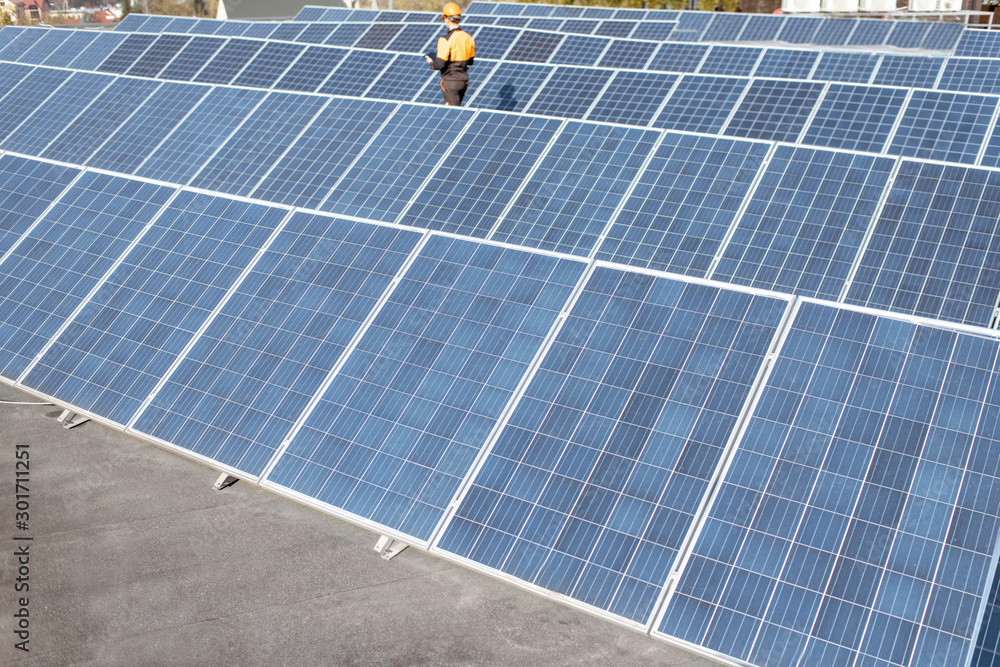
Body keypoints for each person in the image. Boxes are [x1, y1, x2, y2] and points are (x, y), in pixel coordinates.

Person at [424, 3, 475, 107]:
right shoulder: (468, 38)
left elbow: (439, 65)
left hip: (451, 82)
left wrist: (430, 61)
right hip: (464, 81)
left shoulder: (445, 40)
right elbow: (470, 61)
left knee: (451, 113)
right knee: (457, 110)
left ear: (447, 18)